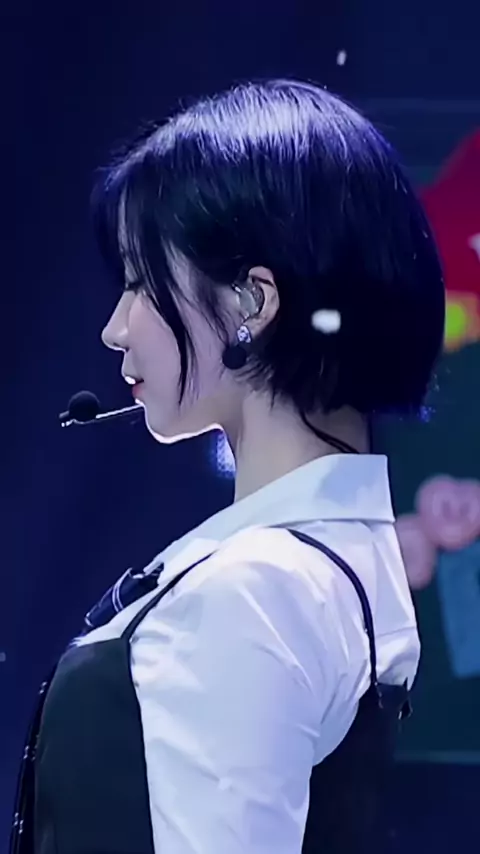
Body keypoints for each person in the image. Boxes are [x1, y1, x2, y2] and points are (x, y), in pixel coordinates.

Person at [11, 79, 445, 854]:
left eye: (141, 281)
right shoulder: (335, 558)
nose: (115, 328)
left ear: (252, 302)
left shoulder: (256, 589)